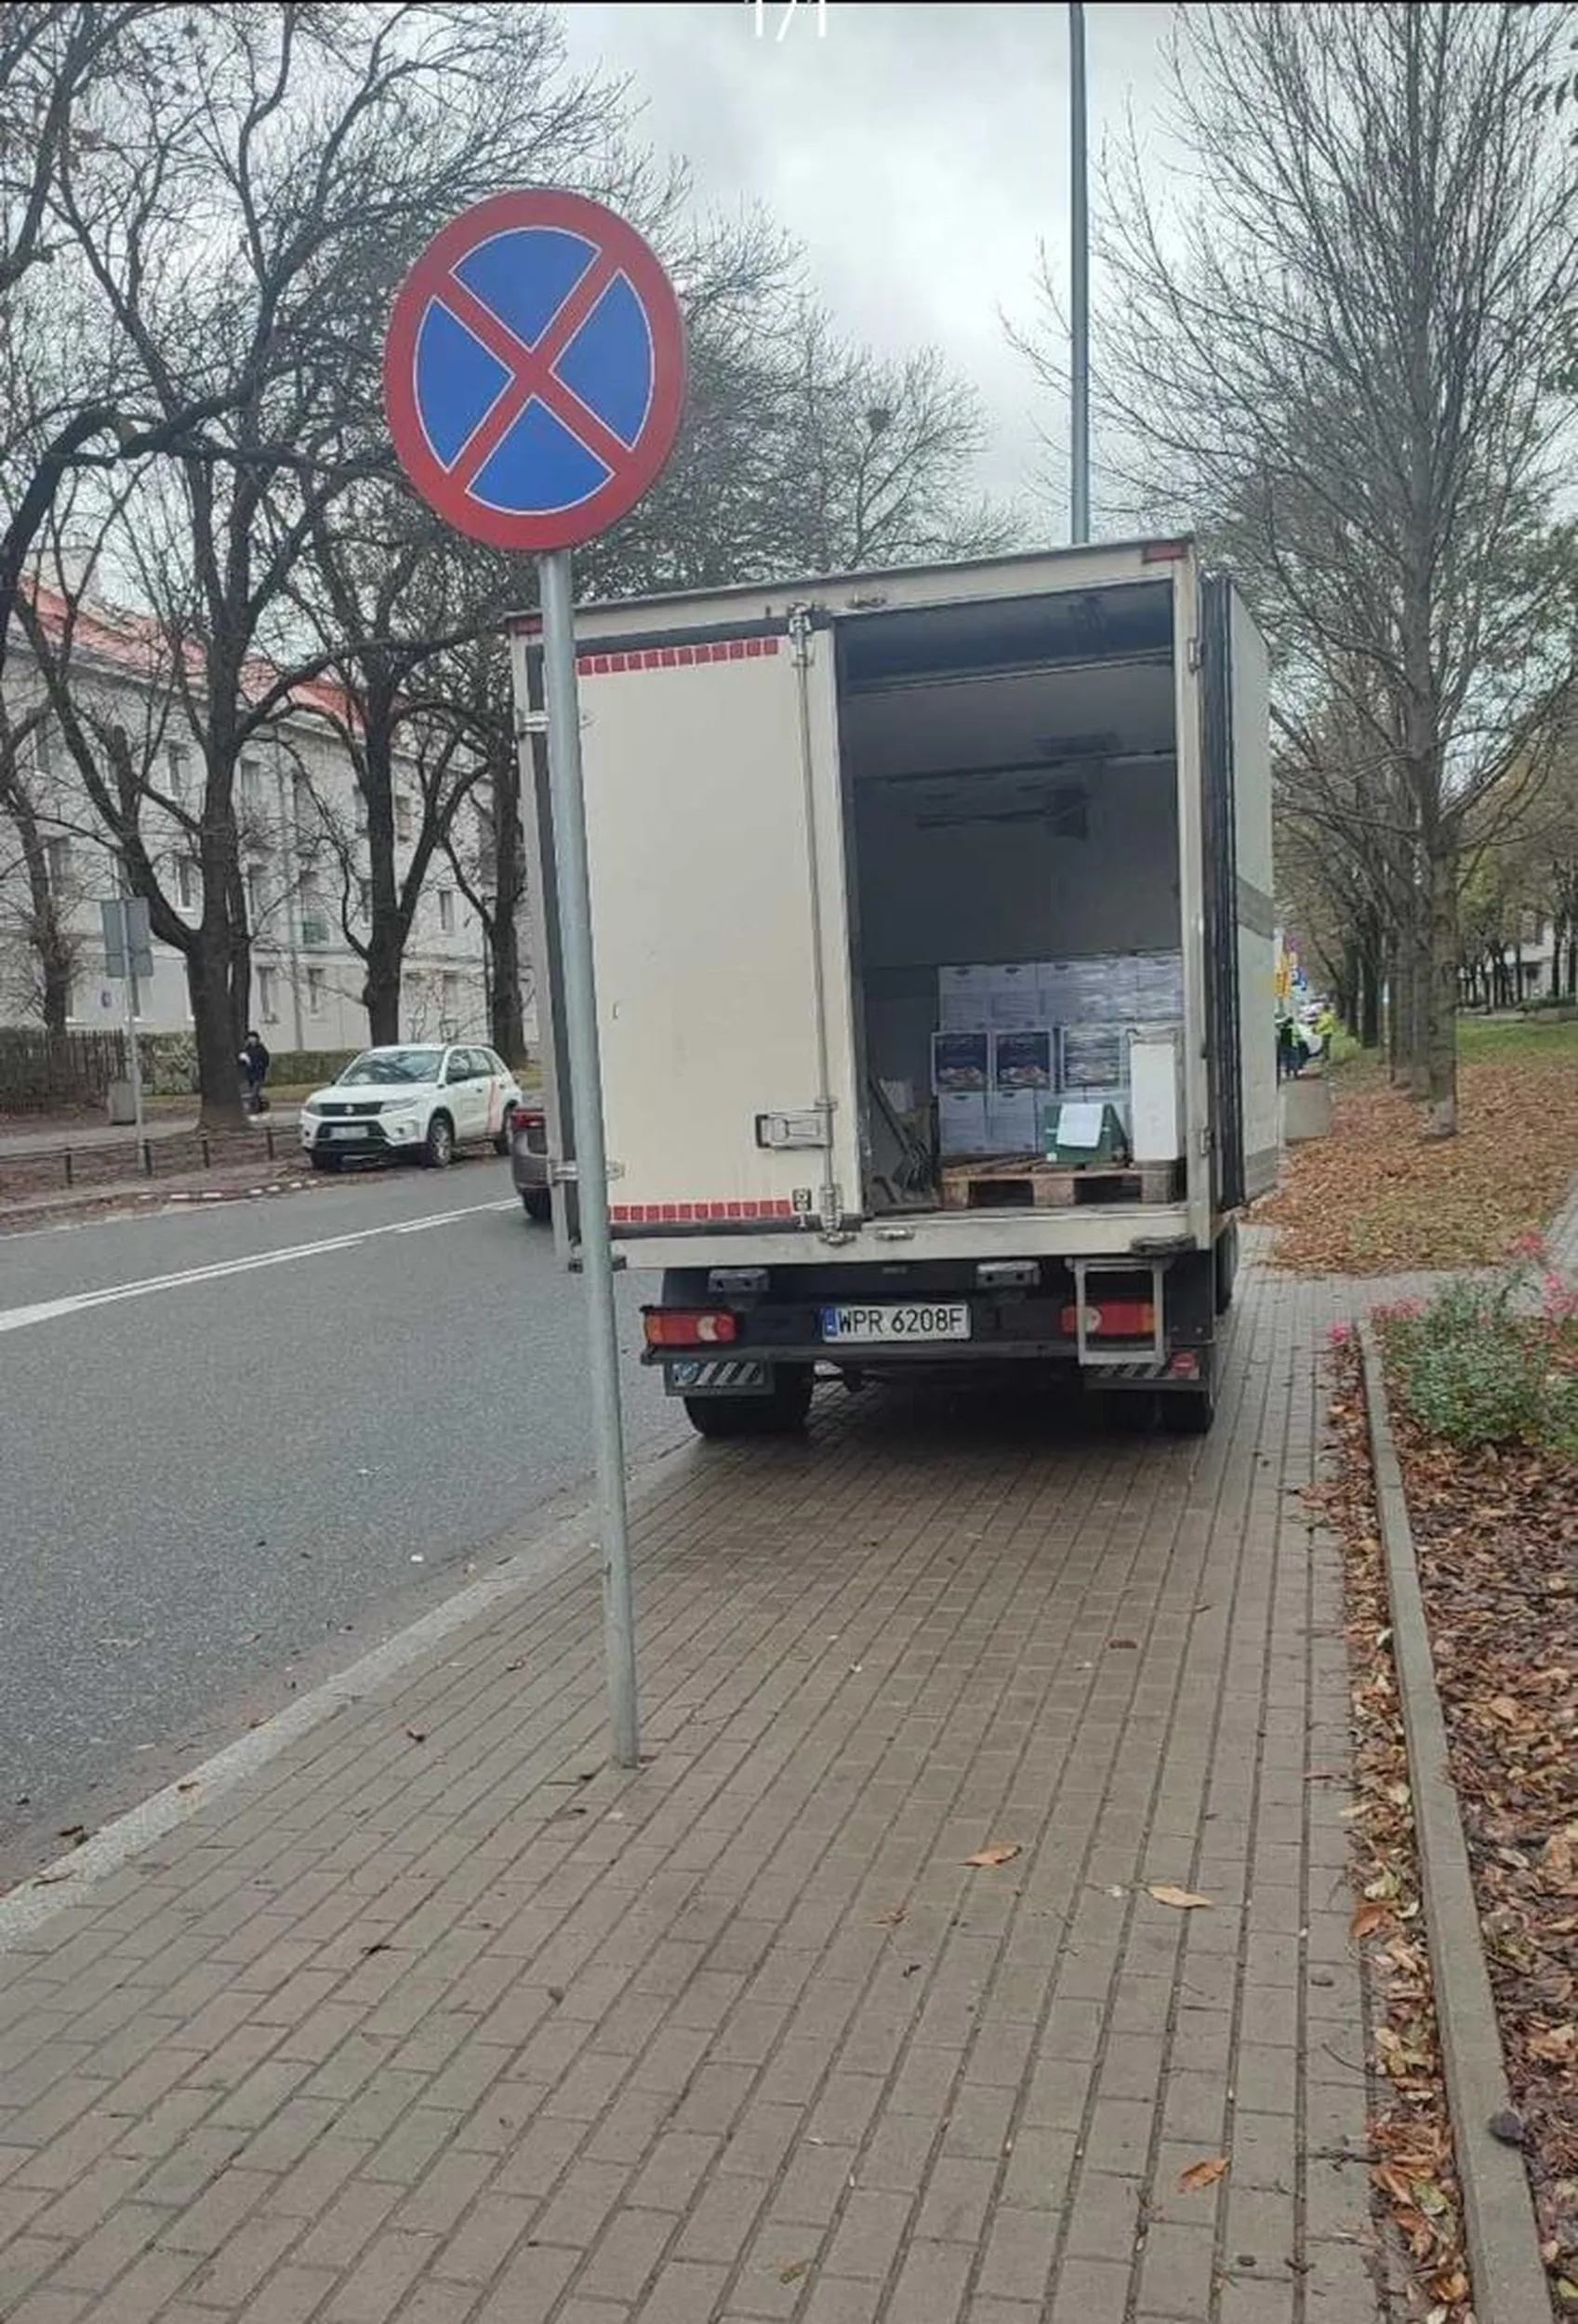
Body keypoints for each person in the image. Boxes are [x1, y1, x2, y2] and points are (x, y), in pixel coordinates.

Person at [240, 1029, 270, 1114]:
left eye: (253, 1038)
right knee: (249, 1091)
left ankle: (255, 1107)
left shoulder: (261, 1049)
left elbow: (266, 1060)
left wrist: (259, 1066)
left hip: (258, 1073)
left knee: (255, 1091)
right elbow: (242, 1062)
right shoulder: (247, 1049)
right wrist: (243, 1060)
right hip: (249, 1074)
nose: (251, 1040)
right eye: (249, 1038)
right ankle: (255, 1106)